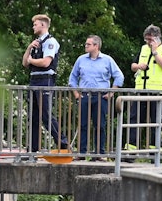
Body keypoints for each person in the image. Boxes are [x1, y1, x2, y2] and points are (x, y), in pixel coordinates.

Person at [68, 35, 124, 158]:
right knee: (82, 124)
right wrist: (76, 94)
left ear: (96, 46)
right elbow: (72, 78)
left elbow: (119, 76)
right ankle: (81, 153)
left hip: (101, 97)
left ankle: (99, 153)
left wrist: (111, 92)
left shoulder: (107, 60)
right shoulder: (81, 59)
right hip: (84, 96)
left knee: (100, 125)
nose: (85, 46)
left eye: (88, 44)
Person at [22, 13, 68, 152]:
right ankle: (33, 147)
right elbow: (24, 63)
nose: (33, 27)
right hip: (34, 78)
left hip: (45, 80)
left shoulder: (50, 42)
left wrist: (31, 60)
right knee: (33, 115)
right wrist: (29, 48)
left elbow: (46, 62)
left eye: (35, 24)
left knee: (46, 114)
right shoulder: (36, 42)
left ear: (43, 25)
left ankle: (62, 142)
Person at [126, 24, 162, 151]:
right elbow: (132, 65)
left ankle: (155, 150)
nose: (147, 42)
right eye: (146, 39)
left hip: (158, 92)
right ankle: (131, 149)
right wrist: (137, 66)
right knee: (134, 119)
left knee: (156, 121)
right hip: (141, 89)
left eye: (150, 39)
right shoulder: (143, 49)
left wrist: (155, 53)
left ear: (157, 38)